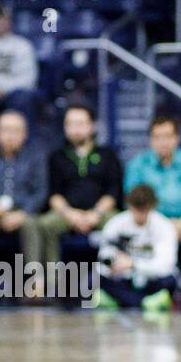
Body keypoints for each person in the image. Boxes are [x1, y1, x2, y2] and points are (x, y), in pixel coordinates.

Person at [0, 110, 48, 301]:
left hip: (24, 212)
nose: (10, 136)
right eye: (5, 130)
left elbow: (41, 192)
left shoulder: (35, 157)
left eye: (15, 131)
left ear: (24, 134)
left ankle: (34, 285)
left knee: (31, 225)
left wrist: (23, 213)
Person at [39, 105, 122, 266]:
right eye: (70, 124)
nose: (75, 129)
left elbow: (113, 191)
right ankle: (52, 282)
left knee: (117, 222)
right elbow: (54, 194)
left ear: (92, 126)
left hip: (101, 212)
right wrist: (71, 215)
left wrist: (95, 214)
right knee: (45, 224)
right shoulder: (57, 156)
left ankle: (112, 279)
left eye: (81, 123)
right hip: (66, 214)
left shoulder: (107, 155)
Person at [94, 185, 179, 312]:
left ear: (152, 207)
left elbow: (166, 264)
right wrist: (113, 264)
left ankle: (124, 301)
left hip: (150, 280)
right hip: (123, 279)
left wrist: (135, 264)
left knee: (170, 281)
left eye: (144, 210)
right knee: (96, 277)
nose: (139, 215)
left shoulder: (164, 226)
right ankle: (145, 302)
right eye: (136, 209)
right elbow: (103, 256)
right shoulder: (116, 223)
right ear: (129, 205)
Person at [124, 115, 181, 241]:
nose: (163, 142)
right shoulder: (138, 164)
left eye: (168, 136)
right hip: (149, 225)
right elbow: (133, 200)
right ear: (151, 140)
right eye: (157, 137)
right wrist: (163, 225)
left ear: (177, 138)